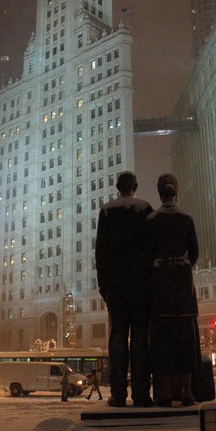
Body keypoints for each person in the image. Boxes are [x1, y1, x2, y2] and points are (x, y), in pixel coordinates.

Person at [96, 171, 153, 407]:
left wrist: (104, 286)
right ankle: (141, 393)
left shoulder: (108, 211)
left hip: (116, 286)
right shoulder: (145, 208)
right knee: (141, 337)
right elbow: (152, 248)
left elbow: (101, 253)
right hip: (141, 285)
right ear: (135, 187)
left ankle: (118, 394)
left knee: (117, 336)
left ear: (117, 186)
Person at [145, 173, 201, 407]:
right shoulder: (186, 218)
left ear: (159, 193)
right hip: (182, 283)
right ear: (176, 191)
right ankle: (187, 392)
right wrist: (183, 264)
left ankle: (165, 394)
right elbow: (194, 252)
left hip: (160, 285)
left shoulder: (151, 220)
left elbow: (146, 253)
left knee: (162, 339)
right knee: (186, 337)